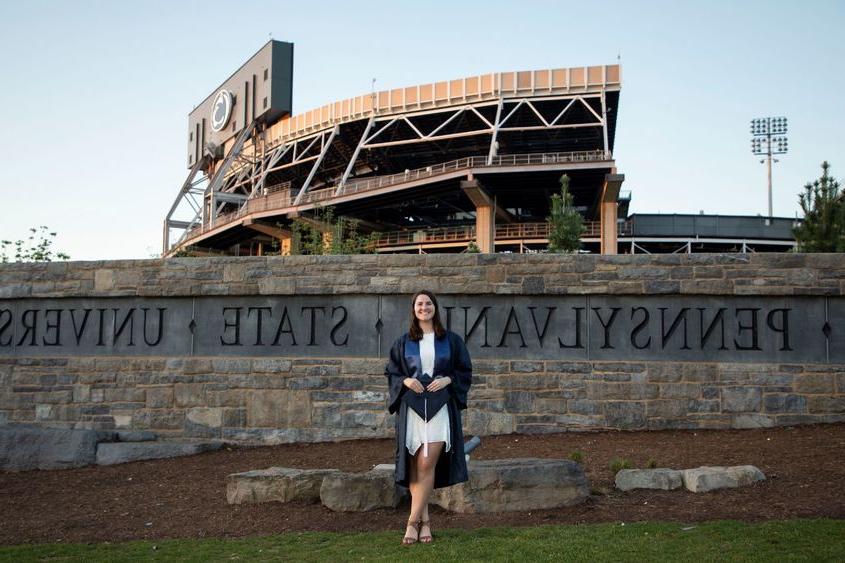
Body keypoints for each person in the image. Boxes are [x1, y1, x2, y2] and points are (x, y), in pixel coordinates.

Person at [384, 290, 472, 545]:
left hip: (440, 407)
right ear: (414, 309)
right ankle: (425, 523)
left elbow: (464, 370)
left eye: (428, 303)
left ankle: (411, 523)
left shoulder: (451, 341)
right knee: (414, 467)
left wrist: (448, 379)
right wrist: (406, 380)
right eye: (419, 304)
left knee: (426, 464)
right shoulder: (403, 342)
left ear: (435, 307)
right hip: (412, 408)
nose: (424, 307)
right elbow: (392, 372)